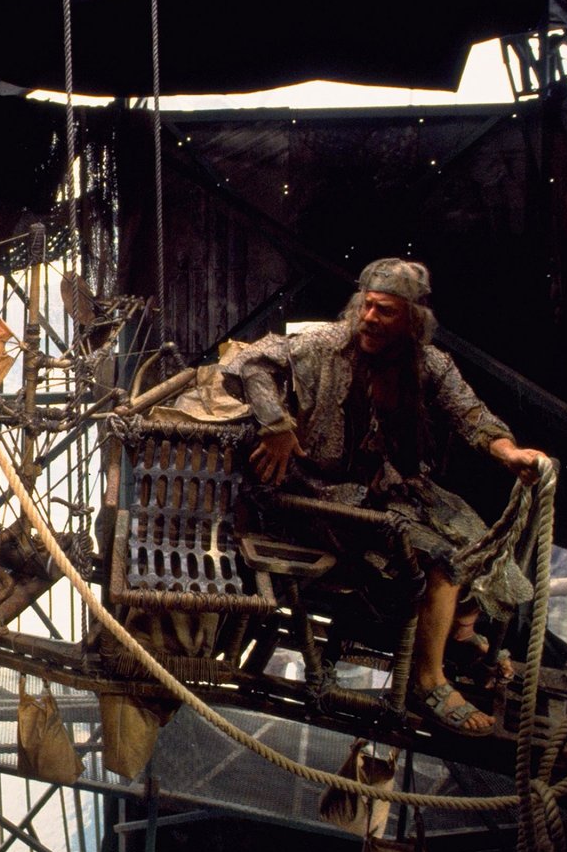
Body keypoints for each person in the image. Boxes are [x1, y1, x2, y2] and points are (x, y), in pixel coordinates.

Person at [222, 258, 545, 736]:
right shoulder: (325, 343)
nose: (371, 319)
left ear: (412, 320)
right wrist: (276, 424)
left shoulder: (428, 364)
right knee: (442, 560)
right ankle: (428, 681)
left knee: (482, 542)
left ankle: (457, 634)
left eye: (386, 311)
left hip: (388, 489)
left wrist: (509, 453)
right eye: (368, 306)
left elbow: (470, 414)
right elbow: (248, 362)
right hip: (319, 496)